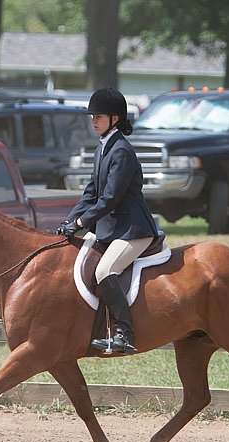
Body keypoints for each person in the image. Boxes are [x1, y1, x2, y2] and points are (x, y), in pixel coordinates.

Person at [57, 87, 158, 355]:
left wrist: (81, 224)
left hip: (133, 230)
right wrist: (69, 221)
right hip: (112, 229)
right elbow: (91, 193)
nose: (93, 120)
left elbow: (110, 198)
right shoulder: (103, 149)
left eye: (98, 116)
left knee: (104, 271)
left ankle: (125, 334)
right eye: (92, 116)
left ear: (115, 118)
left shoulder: (121, 151)